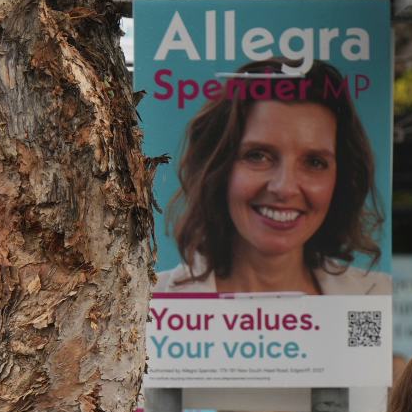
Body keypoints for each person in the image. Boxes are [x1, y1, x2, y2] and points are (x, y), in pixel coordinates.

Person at [155, 59, 390, 297]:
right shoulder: (148, 304)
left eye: (314, 162)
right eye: (258, 156)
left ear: (340, 179)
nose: (285, 188)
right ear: (218, 167)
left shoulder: (380, 298)